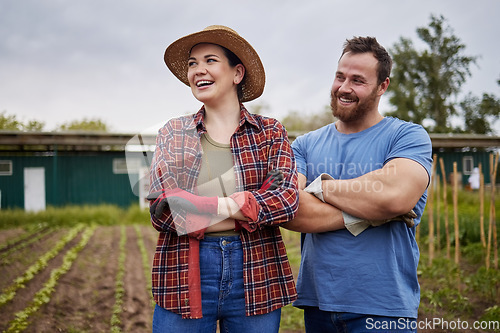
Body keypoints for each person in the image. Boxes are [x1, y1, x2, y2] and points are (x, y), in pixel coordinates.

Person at [147, 25, 298, 333]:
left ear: (237, 73)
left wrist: (199, 205)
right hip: (184, 275)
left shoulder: (270, 132)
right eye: (192, 63)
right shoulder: (174, 133)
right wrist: (245, 207)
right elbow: (164, 209)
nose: (198, 70)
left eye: (210, 60)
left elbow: (285, 200)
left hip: (256, 273)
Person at [283, 36, 433, 332]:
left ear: (382, 87)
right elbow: (288, 207)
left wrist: (319, 188)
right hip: (318, 304)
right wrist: (372, 213)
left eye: (358, 80)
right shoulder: (304, 145)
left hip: (384, 307)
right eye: (340, 76)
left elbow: (394, 197)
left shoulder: (407, 137)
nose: (344, 88)